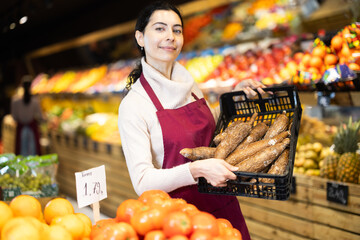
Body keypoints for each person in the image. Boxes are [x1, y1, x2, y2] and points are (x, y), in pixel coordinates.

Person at [118, 2, 265, 239]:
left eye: (177, 30)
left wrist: (233, 98)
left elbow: (207, 127)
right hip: (177, 221)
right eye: (159, 28)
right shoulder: (134, 105)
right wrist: (195, 170)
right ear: (140, 38)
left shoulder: (188, 82)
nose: (170, 37)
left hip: (224, 208)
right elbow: (143, 181)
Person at [11, 75, 46, 156]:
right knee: (32, 155)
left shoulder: (15, 101)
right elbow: (40, 117)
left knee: (21, 155)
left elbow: (14, 117)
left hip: (21, 131)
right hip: (32, 132)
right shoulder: (35, 101)